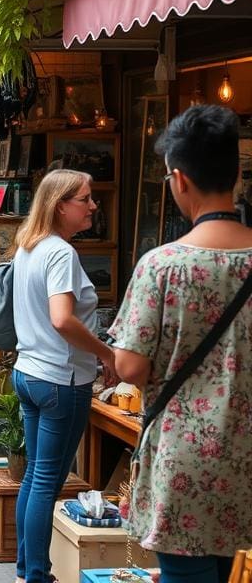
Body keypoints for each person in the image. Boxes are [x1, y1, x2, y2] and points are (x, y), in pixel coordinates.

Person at [110, 105, 252, 583]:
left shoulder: (162, 265)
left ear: (178, 179)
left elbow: (129, 367)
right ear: (235, 173)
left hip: (184, 461)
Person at [10, 169, 116, 583]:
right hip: (59, 379)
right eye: (85, 199)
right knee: (45, 481)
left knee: (36, 476)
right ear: (60, 205)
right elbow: (61, 319)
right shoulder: (59, 253)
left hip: (30, 373)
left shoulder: (29, 247)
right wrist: (106, 353)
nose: (93, 205)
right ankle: (35, 574)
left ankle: (25, 570)